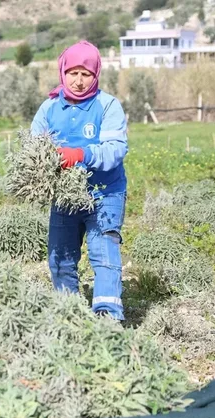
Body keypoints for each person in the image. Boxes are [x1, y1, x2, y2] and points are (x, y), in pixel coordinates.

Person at [30, 40, 129, 321]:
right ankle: (68, 314)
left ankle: (108, 317)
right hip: (65, 196)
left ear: (95, 74)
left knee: (104, 255)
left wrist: (80, 154)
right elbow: (35, 149)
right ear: (63, 72)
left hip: (104, 193)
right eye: (73, 72)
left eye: (86, 74)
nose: (79, 81)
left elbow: (115, 151)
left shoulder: (108, 106)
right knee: (60, 258)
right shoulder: (48, 108)